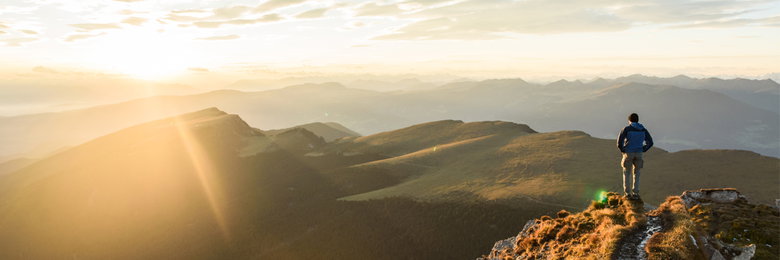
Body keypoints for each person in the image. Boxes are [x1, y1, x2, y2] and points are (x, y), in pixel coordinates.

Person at [616, 113, 653, 200]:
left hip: (629, 153)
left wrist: (623, 150)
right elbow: (650, 142)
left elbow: (619, 142)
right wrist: (643, 149)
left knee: (626, 172)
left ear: (629, 120)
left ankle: (627, 194)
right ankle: (636, 193)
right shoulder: (643, 130)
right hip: (639, 153)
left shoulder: (627, 129)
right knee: (637, 173)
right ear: (637, 120)